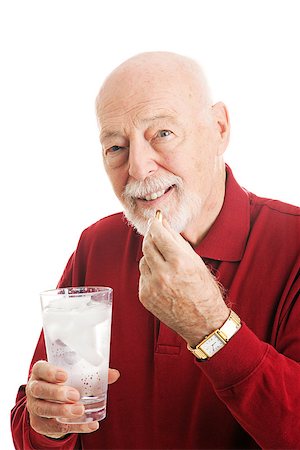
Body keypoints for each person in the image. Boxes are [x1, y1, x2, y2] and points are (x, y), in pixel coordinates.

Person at [11, 51, 300, 450]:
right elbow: (34, 421)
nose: (138, 169)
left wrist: (211, 326)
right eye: (116, 147)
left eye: (162, 134)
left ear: (219, 128)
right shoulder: (96, 245)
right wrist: (47, 425)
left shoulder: (294, 244)